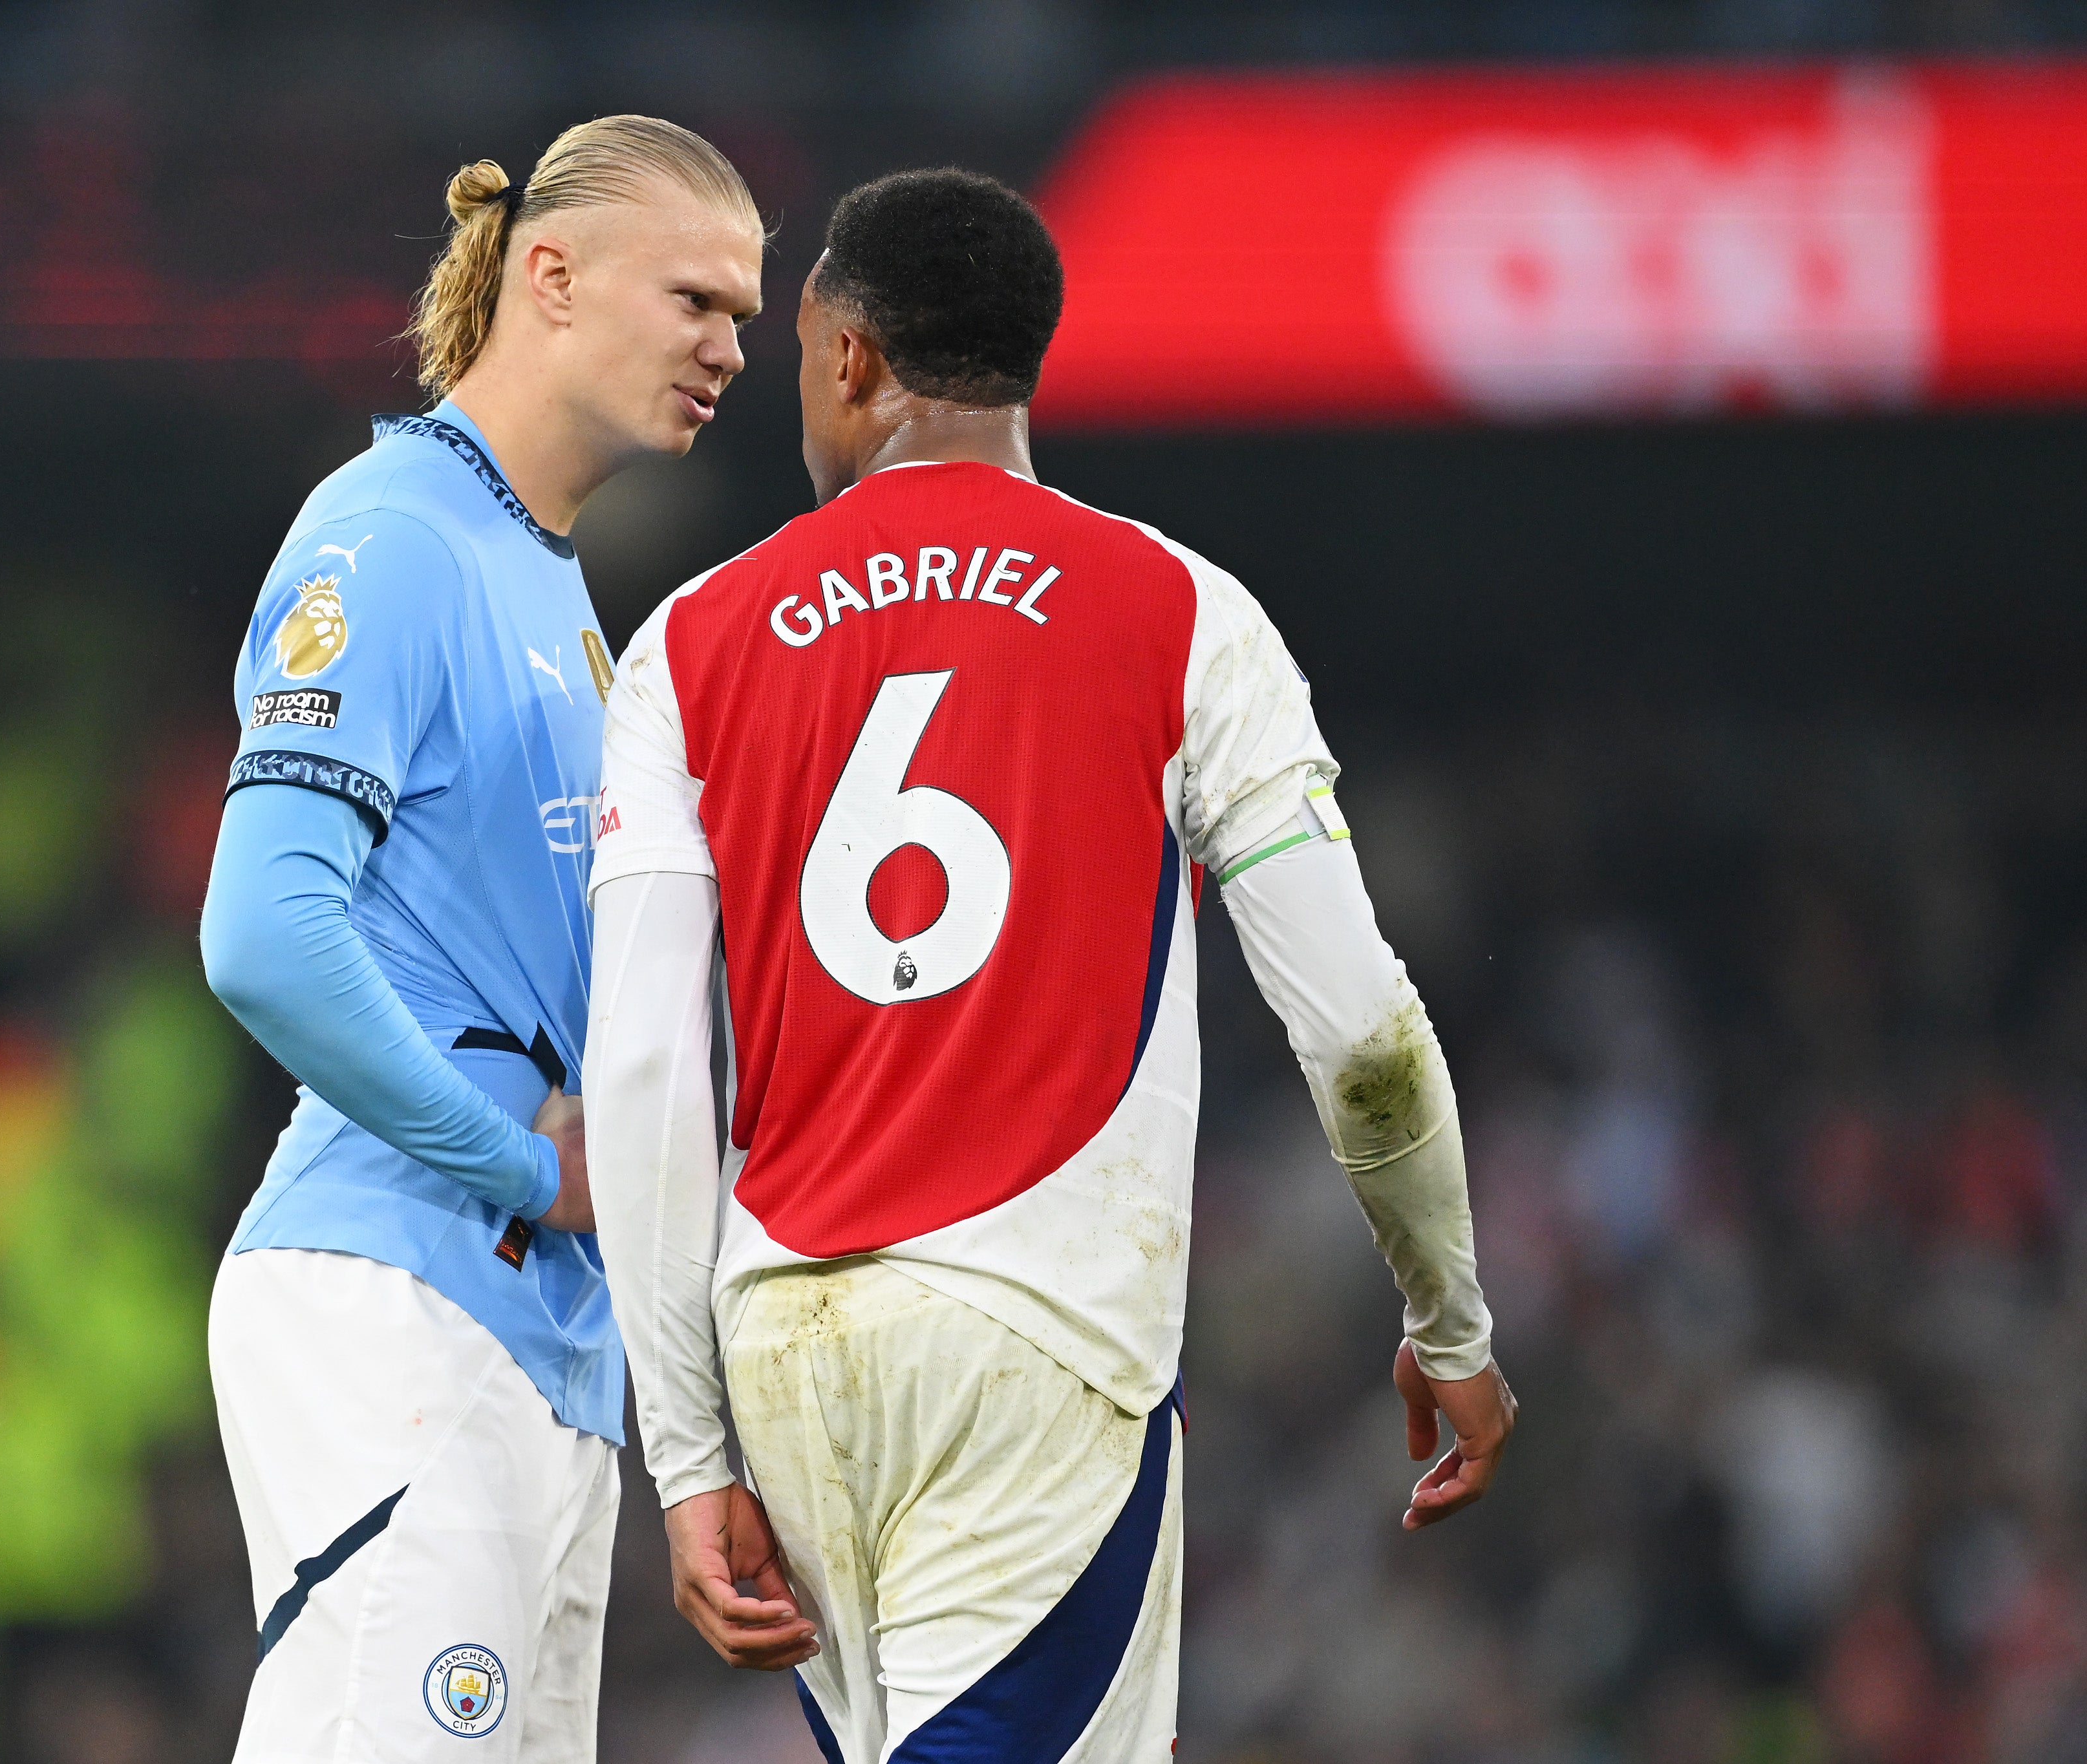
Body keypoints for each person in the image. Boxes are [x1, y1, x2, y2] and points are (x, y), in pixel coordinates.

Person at [583, 167, 1515, 1762]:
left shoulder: (686, 643)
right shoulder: (1184, 616)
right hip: (1037, 1344)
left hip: (784, 1346)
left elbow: (650, 1068)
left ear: (858, 359)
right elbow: (1358, 1030)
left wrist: (684, 1458)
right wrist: (1453, 1330)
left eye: (802, 351)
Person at [198, 118, 762, 1763]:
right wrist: (521, 1168)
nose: (732, 347)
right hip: (403, 1299)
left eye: (744, 314)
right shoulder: (389, 534)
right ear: (551, 274)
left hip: (545, 1358)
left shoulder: (552, 591)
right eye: (699, 301)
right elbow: (264, 932)